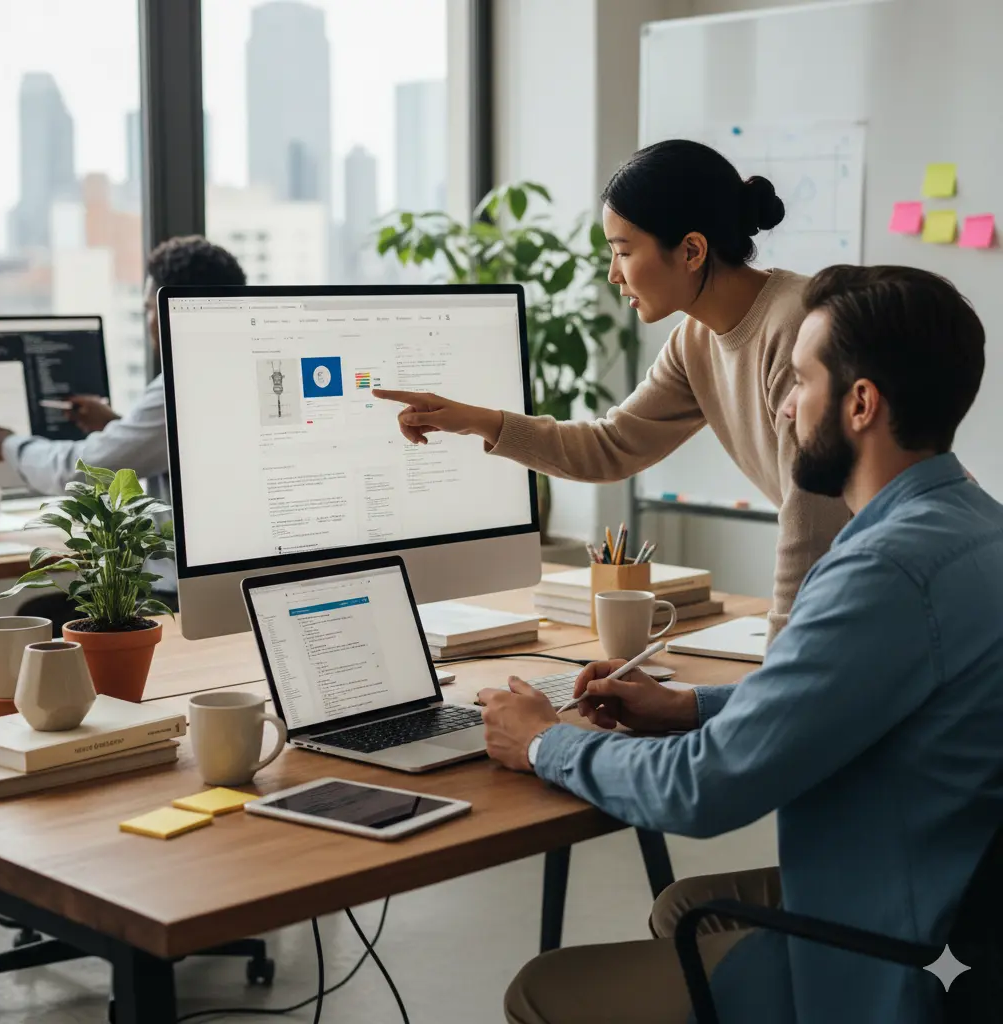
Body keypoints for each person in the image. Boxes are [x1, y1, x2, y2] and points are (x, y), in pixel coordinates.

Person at [476, 265, 1001, 1024]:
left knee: (541, 989)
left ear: (860, 404)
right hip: (944, 882)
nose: (783, 408)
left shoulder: (881, 569)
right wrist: (689, 706)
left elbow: (702, 790)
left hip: (885, 945)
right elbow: (848, 693)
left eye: (801, 382)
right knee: (681, 907)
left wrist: (541, 742)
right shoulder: (975, 525)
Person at [375, 140, 851, 641]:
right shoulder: (694, 341)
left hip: (876, 585)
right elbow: (612, 446)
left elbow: (812, 527)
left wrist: (782, 662)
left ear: (691, 250)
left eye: (623, 251)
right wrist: (476, 421)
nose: (613, 274)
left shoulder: (800, 327)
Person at [0, 236, 245, 629]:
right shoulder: (236, 367)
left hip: (177, 595)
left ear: (171, 306)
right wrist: (116, 425)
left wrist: (8, 444)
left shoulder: (183, 381)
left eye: (148, 309)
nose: (148, 322)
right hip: (224, 586)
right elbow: (179, 448)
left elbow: (79, 470)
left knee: (38, 617)